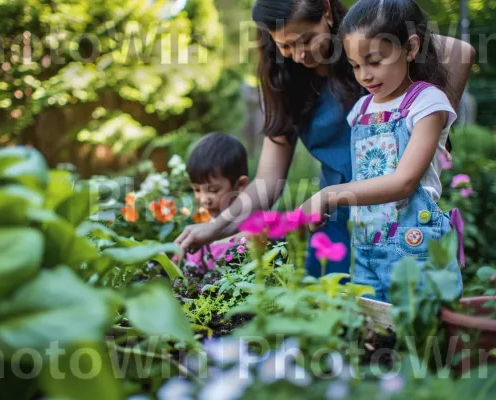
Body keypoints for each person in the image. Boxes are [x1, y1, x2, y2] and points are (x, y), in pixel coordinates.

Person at [175, 0, 475, 278]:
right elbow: (268, 183)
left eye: (306, 39)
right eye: (286, 46)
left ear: (327, 12)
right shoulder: (285, 81)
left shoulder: (363, 44)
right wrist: (214, 228)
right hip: (332, 216)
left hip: (396, 211)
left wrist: (428, 130)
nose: (299, 54)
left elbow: (459, 52)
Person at [299, 0, 464, 301]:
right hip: (364, 248)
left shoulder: (427, 103)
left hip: (415, 250)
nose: (364, 75)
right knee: (371, 339)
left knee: (417, 334)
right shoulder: (361, 109)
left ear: (410, 48)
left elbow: (403, 183)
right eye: (355, 65)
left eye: (374, 61)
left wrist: (329, 195)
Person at [178, 132, 250, 269]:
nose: (204, 200)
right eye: (197, 190)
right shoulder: (208, 221)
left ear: (240, 185)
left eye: (213, 190)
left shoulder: (250, 220)